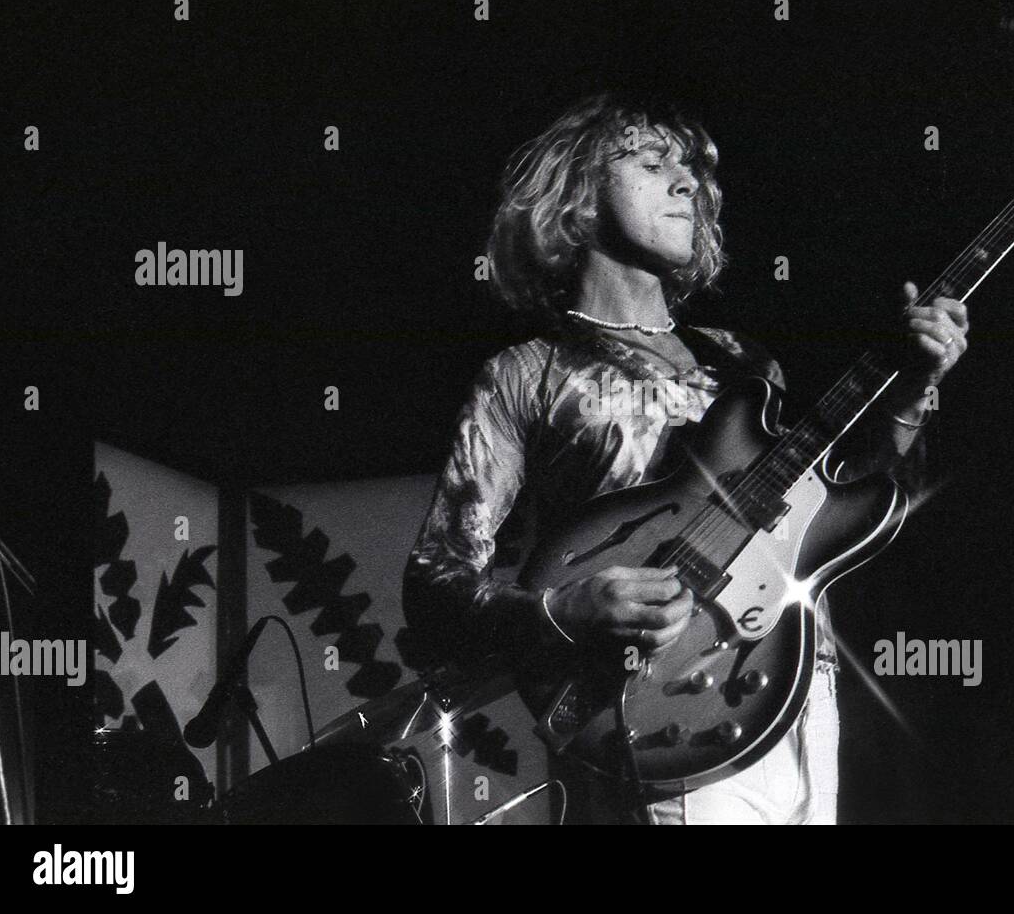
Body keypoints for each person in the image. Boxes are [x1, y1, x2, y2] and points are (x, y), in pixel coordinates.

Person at [402, 91, 968, 824]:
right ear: (578, 192)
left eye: (693, 174)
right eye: (650, 162)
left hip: (796, 694)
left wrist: (910, 392)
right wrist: (565, 608)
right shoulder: (526, 373)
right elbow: (434, 582)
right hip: (652, 711)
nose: (686, 183)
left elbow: (837, 504)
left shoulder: (742, 363)